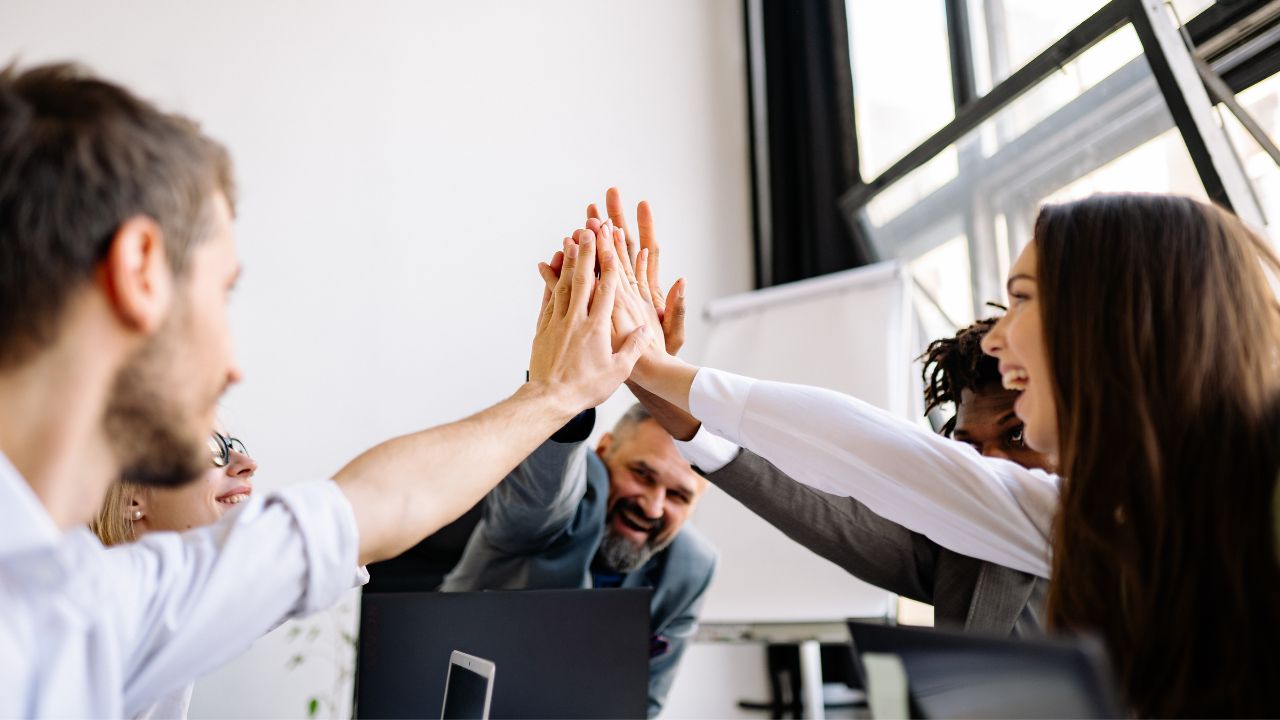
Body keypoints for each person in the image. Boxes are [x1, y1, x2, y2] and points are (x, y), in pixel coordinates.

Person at [0, 62, 648, 717]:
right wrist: (554, 394)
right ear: (139, 269)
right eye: (223, 292)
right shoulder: (64, 613)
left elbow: (371, 508)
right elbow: (372, 507)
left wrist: (555, 395)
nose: (233, 366)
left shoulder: (93, 603)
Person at [604, 191, 1280, 717]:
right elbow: (866, 455)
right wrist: (659, 375)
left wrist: (660, 369)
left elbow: (867, 449)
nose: (996, 340)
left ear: (1114, 318)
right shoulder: (1078, 515)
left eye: (1023, 299)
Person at [580, 190, 1054, 635]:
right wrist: (644, 373)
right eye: (968, 449)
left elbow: (856, 445)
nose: (987, 465)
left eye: (1016, 437)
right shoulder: (967, 551)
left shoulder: (1106, 521)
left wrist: (659, 368)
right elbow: (827, 512)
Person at [442, 403, 715, 717]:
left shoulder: (692, 567)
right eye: (642, 475)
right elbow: (540, 496)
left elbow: (642, 705)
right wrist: (569, 404)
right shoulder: (566, 496)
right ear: (603, 451)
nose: (653, 508)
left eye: (678, 496)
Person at [91, 428, 260, 719]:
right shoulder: (112, 598)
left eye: (233, 445)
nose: (247, 463)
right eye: (209, 450)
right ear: (131, 499)